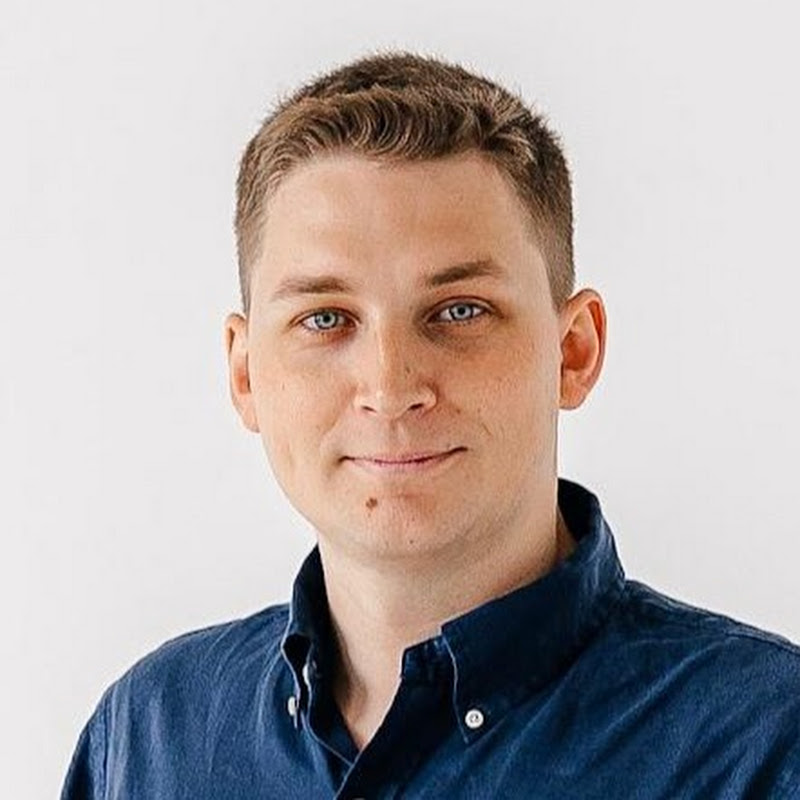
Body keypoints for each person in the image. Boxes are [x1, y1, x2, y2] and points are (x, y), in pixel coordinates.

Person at [62, 52, 800, 799]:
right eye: (325, 319)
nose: (390, 389)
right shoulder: (150, 737)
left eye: (459, 311)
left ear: (574, 351)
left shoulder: (764, 747)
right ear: (246, 373)